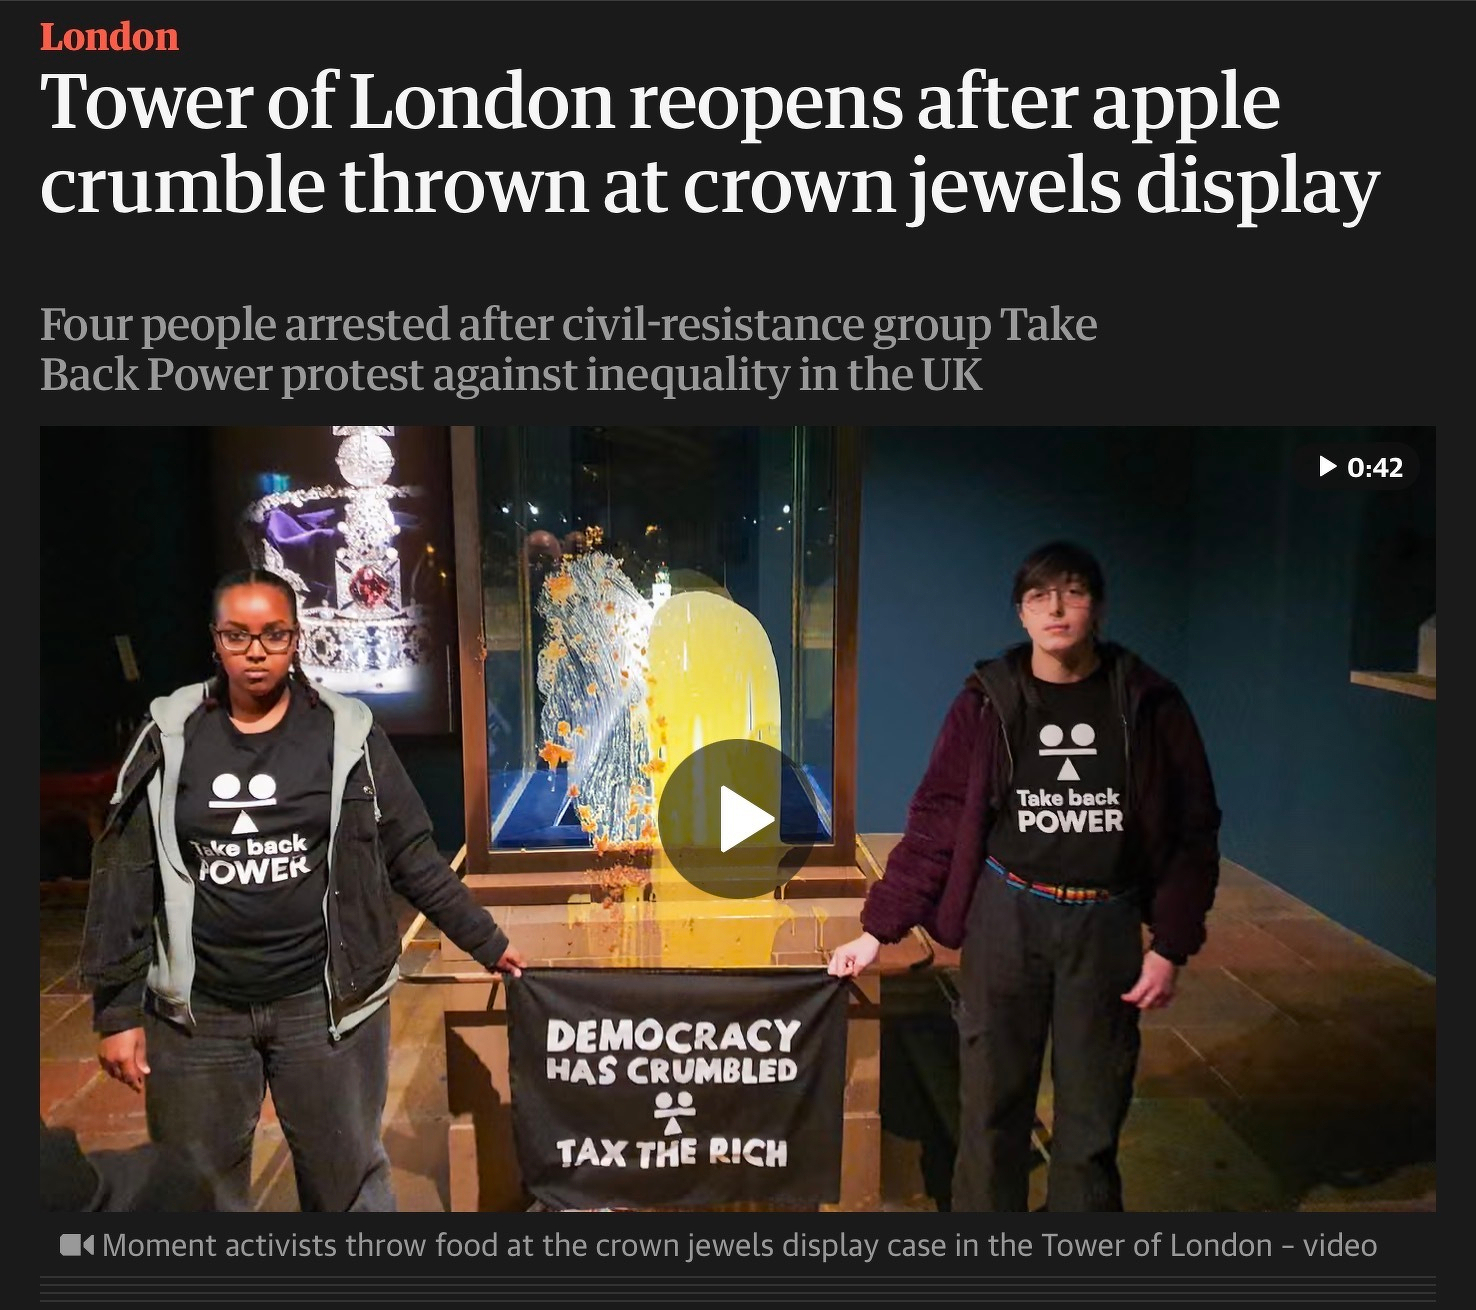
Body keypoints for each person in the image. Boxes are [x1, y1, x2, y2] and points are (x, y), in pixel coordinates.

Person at [80, 567, 526, 1211]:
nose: (255, 650)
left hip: (325, 1009)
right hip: (198, 1014)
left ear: (296, 640)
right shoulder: (171, 733)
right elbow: (126, 873)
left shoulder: (345, 731)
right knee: (194, 1189)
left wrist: (487, 941)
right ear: (215, 641)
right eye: (237, 635)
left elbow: (410, 851)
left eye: (273, 634)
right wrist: (117, 1012)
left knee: (347, 1181)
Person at [829, 541, 1220, 1211]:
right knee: (988, 1108)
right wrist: (880, 929)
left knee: (1093, 1114)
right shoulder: (989, 703)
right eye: (1040, 596)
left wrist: (1172, 945)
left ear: (1097, 606)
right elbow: (938, 818)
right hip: (1007, 918)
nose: (1057, 608)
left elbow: (1192, 828)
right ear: (1021, 611)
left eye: (1073, 592)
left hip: (1106, 925)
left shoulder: (1148, 704)